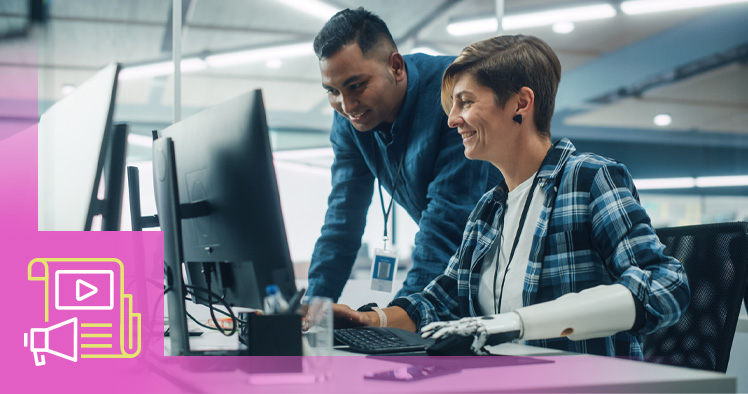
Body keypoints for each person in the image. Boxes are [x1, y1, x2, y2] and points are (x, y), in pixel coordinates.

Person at [332, 34, 690, 358]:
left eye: (466, 102)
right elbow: (441, 299)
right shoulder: (488, 210)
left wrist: (517, 322)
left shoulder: (589, 179)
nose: (452, 119)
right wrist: (369, 320)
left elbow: (666, 285)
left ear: (521, 103)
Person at [306, 8, 500, 301]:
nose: (346, 105)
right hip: (456, 262)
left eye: (356, 85)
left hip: (506, 261)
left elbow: (447, 222)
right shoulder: (351, 121)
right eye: (332, 91)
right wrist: (314, 306)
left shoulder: (455, 95)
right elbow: (343, 216)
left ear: (396, 67)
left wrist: (398, 316)